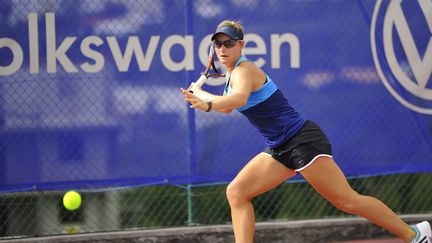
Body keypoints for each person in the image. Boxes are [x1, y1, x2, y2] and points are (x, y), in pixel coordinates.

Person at [180, 20, 432, 243]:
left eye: (228, 43)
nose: (222, 49)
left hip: (302, 142)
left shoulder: (245, 70)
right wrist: (202, 96)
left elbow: (237, 99)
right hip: (279, 148)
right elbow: (226, 109)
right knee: (236, 192)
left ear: (241, 45)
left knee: (347, 201)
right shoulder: (230, 74)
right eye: (218, 44)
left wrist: (208, 101)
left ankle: (414, 234)